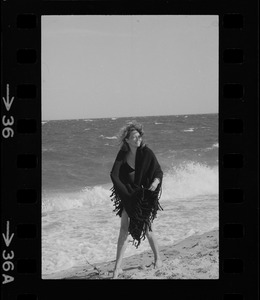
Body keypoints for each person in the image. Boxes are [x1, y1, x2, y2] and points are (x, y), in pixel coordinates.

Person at [110, 121, 163, 279]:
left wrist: (155, 182)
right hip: (129, 196)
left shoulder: (146, 153)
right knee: (123, 230)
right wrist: (124, 192)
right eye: (134, 137)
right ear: (127, 139)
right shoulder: (123, 154)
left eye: (139, 136)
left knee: (148, 229)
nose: (137, 139)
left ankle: (158, 259)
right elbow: (114, 174)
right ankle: (118, 268)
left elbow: (158, 171)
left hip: (144, 196)